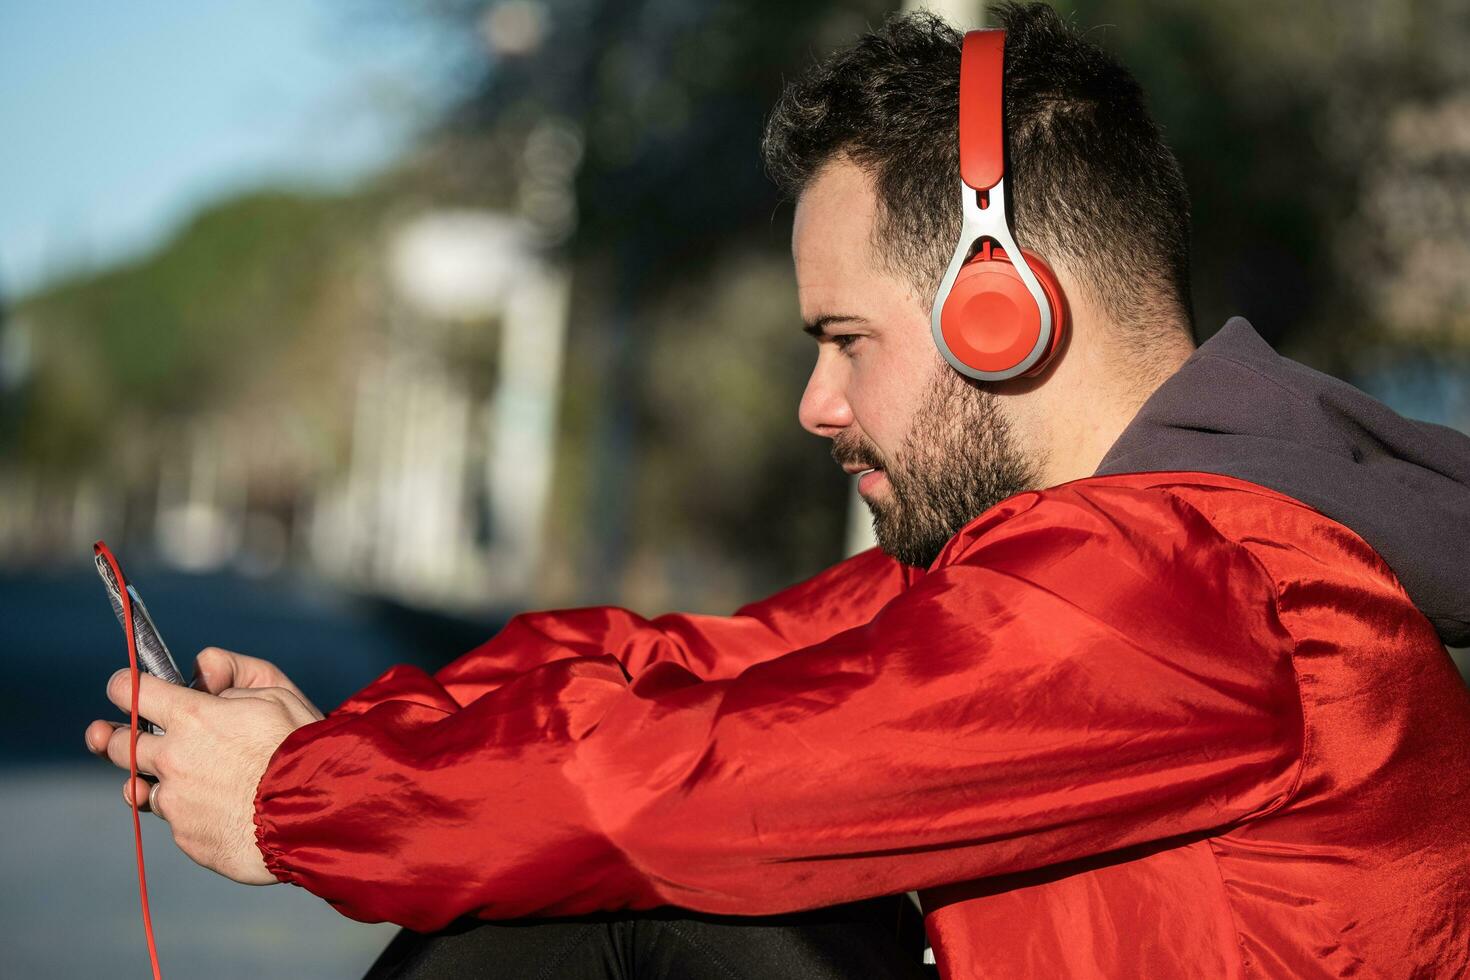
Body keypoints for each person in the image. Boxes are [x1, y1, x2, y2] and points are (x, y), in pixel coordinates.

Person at [85, 4, 1470, 977]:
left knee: (636, 880)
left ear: (1002, 312)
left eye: (844, 341)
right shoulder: (1050, 573)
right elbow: (680, 670)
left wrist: (302, 804)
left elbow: (690, 786)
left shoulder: (1193, 586)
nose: (815, 404)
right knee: (583, 877)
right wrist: (336, 745)